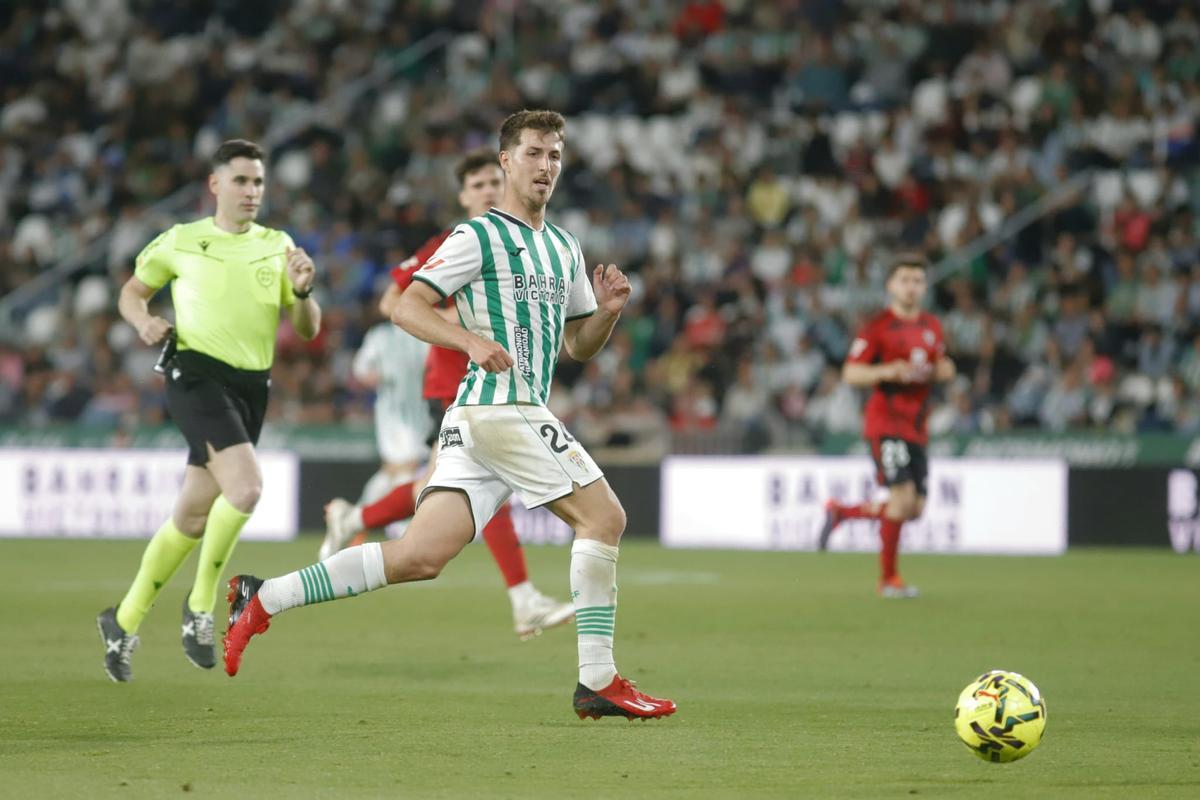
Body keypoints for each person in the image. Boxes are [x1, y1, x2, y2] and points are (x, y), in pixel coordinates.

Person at [223, 110, 676, 721]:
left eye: (555, 156)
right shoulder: (477, 237)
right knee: (605, 518)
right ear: (506, 162)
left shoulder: (565, 247)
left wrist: (610, 311)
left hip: (481, 420)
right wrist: (467, 341)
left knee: (418, 556)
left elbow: (576, 346)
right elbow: (408, 307)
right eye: (534, 153)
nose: (546, 166)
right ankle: (598, 679)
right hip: (498, 407)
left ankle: (263, 596)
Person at [320, 149, 574, 640]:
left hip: (507, 386)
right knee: (486, 485)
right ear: (462, 196)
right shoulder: (451, 242)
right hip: (459, 382)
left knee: (437, 489)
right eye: (475, 185)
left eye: (491, 183)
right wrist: (465, 323)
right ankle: (523, 600)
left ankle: (355, 515)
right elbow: (395, 300)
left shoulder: (527, 244)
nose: (485, 191)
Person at [96, 139, 321, 681]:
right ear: (216, 184)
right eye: (241, 181)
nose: (251, 191)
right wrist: (142, 321)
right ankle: (200, 607)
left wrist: (306, 291)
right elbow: (131, 292)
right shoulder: (181, 240)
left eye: (259, 183)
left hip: (251, 387)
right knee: (245, 489)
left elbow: (308, 329)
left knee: (194, 514)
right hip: (194, 374)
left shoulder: (278, 245)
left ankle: (121, 622)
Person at [818, 254, 955, 598]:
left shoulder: (931, 327)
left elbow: (942, 364)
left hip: (917, 427)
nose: (911, 287)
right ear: (891, 286)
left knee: (915, 509)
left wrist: (944, 370)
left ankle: (843, 512)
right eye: (905, 280)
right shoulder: (878, 327)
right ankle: (888, 580)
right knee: (901, 498)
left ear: (924, 287)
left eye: (917, 281)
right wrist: (887, 371)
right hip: (885, 423)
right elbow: (851, 373)